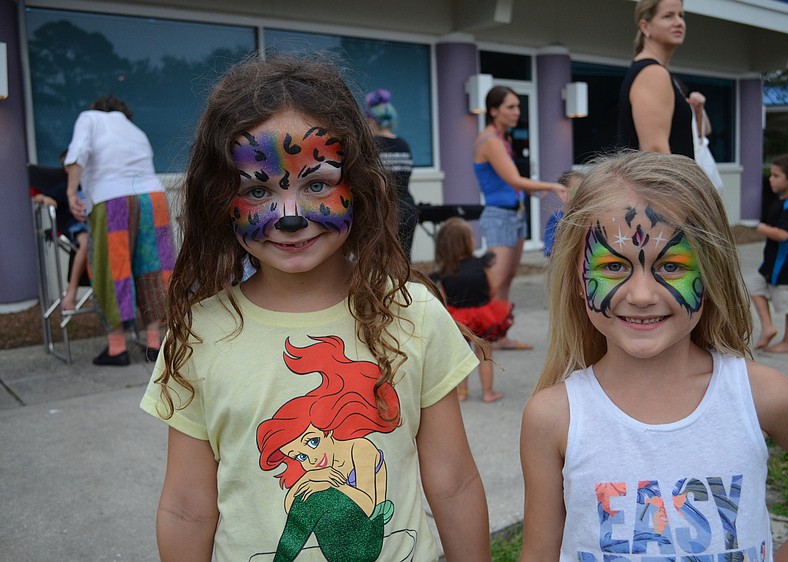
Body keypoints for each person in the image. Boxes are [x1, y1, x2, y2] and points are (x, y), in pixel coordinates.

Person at [139, 54, 490, 562]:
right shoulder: (198, 333)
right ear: (220, 200)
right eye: (257, 190)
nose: (290, 217)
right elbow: (187, 508)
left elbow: (454, 482)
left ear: (360, 183)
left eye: (318, 184)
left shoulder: (411, 312)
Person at [519, 151, 788, 561]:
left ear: (711, 273)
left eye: (672, 266)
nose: (641, 295)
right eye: (614, 266)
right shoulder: (554, 417)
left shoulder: (759, 396)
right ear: (577, 280)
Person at [64, 95, 175, 366]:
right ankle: (153, 344)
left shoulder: (89, 118)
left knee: (112, 268)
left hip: (112, 198)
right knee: (152, 267)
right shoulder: (136, 131)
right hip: (152, 198)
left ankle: (117, 348)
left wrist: (71, 192)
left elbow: (78, 152)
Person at [474, 85, 570, 350]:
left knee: (506, 279)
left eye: (518, 106)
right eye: (510, 107)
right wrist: (551, 187)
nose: (517, 112)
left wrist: (527, 191)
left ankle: (499, 335)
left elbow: (511, 184)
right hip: (499, 217)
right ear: (494, 111)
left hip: (512, 215)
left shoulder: (501, 139)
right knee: (494, 281)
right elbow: (513, 179)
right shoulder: (490, 141)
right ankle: (477, 339)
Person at [431, 217, 512, 403]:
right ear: (467, 242)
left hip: (457, 319)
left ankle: (462, 392)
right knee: (484, 355)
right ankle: (487, 392)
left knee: (461, 356)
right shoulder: (481, 265)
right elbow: (494, 287)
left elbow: (443, 297)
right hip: (482, 316)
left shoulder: (445, 270)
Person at [617, 0, 694, 158]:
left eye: (681, 15)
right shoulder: (652, 73)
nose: (679, 22)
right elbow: (655, 151)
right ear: (645, 26)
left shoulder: (653, 71)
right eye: (668, 16)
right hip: (664, 181)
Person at [749, 153, 788, 354]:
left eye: (776, 176)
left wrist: (762, 229)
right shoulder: (781, 200)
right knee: (755, 288)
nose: (770, 179)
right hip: (771, 263)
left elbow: (784, 235)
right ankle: (768, 327)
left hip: (787, 266)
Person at [31, 150, 90, 311]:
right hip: (78, 228)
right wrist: (44, 199)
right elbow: (37, 197)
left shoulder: (93, 184)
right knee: (85, 243)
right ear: (66, 169)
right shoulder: (64, 187)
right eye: (71, 165)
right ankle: (71, 293)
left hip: (100, 226)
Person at [365, 88, 419, 260]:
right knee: (403, 262)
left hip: (382, 212)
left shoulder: (371, 146)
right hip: (408, 208)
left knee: (378, 263)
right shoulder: (404, 144)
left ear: (372, 121)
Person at [543, 170, 584, 258]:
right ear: (563, 193)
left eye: (583, 191)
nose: (582, 195)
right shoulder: (556, 219)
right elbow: (549, 250)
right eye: (576, 191)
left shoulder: (586, 218)